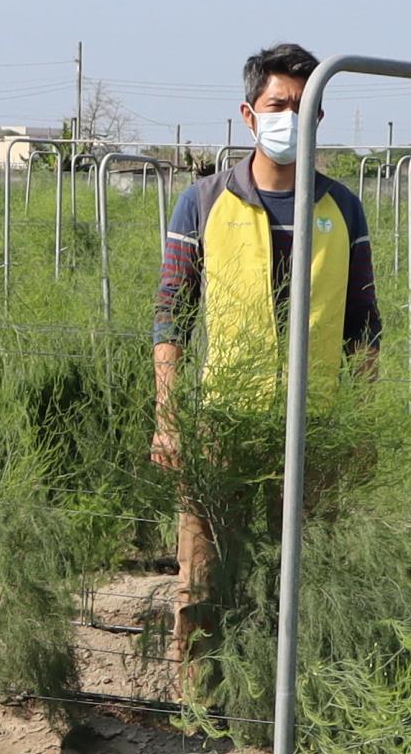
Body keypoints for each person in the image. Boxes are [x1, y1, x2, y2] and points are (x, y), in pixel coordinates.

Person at [150, 42, 380, 655]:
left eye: (304, 107)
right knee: (204, 576)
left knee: (302, 576)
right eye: (278, 104)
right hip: (222, 420)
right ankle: (202, 701)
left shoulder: (343, 207)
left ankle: (286, 703)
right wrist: (169, 420)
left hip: (316, 424)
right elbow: (171, 317)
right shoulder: (203, 201)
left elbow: (365, 325)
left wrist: (359, 423)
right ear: (249, 115)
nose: (290, 117)